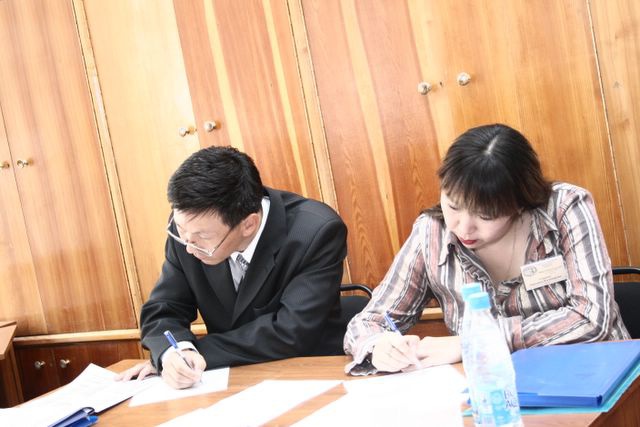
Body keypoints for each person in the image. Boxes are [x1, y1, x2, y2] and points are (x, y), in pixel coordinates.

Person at [344, 123, 630, 375]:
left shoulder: (565, 208)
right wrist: (378, 346)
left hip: (595, 377)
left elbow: (592, 318)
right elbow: (369, 321)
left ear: (520, 202)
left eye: (486, 215)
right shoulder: (431, 231)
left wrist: (475, 342)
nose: (463, 228)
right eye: (453, 206)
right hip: (493, 389)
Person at [118, 146, 348, 388]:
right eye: (181, 230)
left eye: (202, 237)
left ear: (249, 225)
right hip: (227, 381)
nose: (189, 247)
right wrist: (173, 353)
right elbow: (164, 308)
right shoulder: (190, 230)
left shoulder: (315, 232)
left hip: (308, 374)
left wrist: (196, 353)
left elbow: (292, 331)